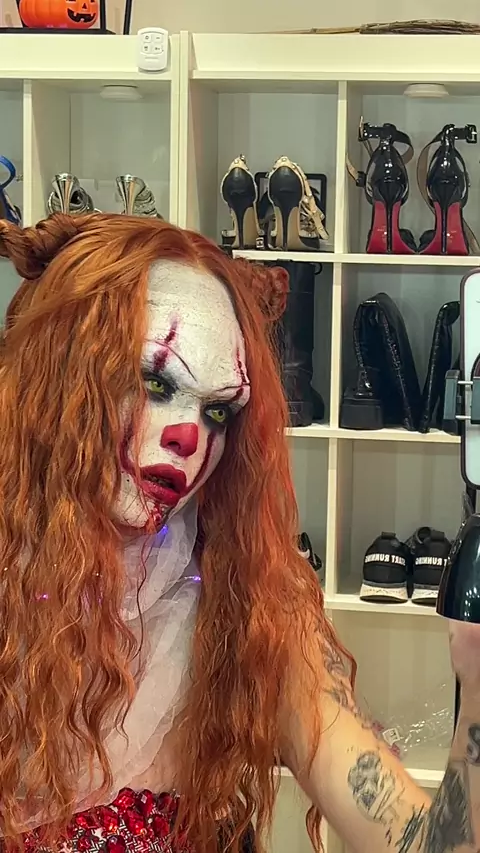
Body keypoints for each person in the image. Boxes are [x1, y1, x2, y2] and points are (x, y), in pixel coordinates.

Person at [0, 212, 478, 853]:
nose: (189, 436)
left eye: (218, 410)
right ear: (57, 374)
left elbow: (425, 844)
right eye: (155, 382)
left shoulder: (246, 605)